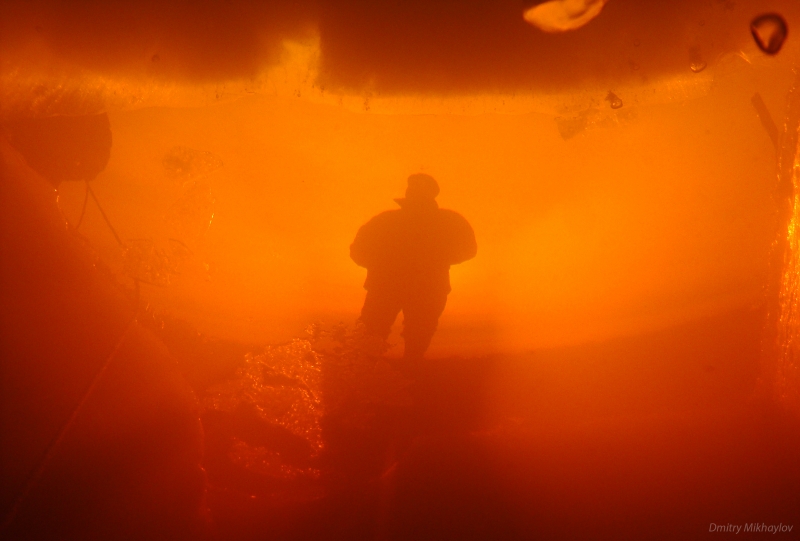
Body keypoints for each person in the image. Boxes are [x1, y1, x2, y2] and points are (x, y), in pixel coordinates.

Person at [350, 174, 477, 359]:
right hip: (393, 287)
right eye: (413, 188)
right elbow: (358, 250)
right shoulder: (385, 221)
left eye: (419, 189)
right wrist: (382, 267)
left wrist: (434, 259)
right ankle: (367, 378)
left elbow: (468, 250)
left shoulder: (449, 222)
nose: (414, 191)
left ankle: (401, 377)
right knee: (371, 338)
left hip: (423, 289)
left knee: (413, 341)